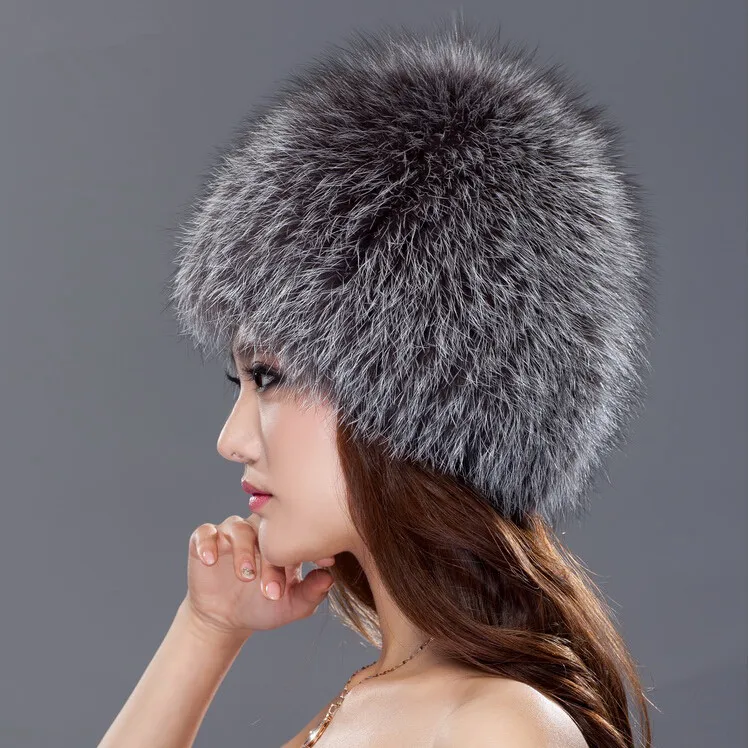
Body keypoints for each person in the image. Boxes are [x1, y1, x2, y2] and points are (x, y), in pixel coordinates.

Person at [99, 17, 658, 748]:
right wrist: (207, 628)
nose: (232, 440)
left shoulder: (493, 725)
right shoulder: (376, 698)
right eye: (241, 382)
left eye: (270, 377)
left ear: (422, 398)